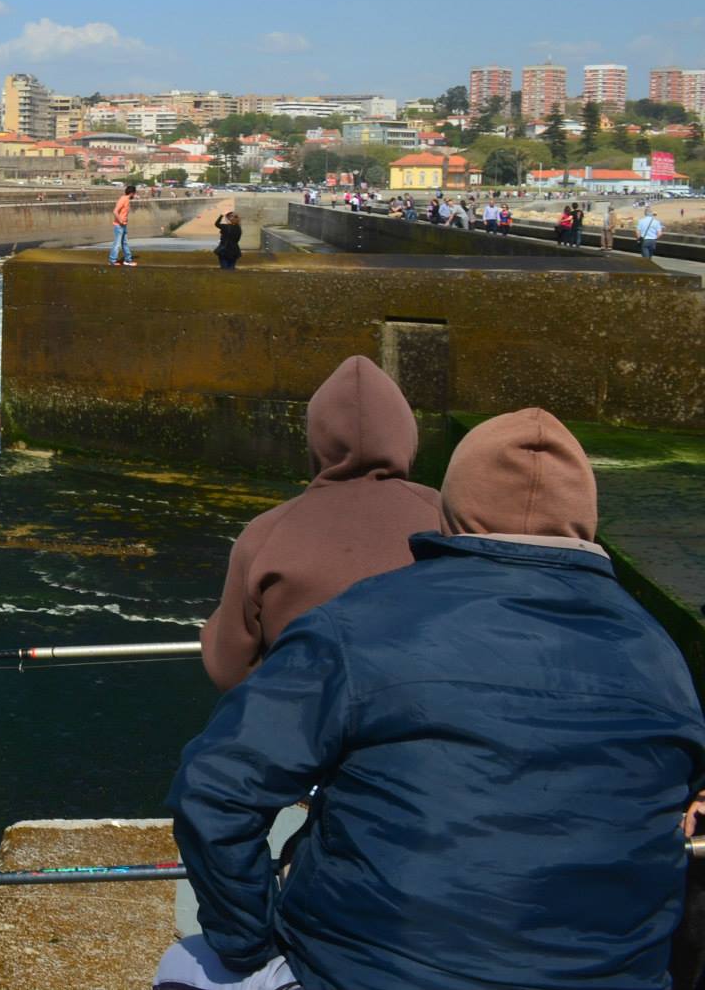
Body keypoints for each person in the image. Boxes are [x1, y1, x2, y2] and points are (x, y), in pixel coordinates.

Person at [160, 409, 705, 990]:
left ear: (452, 508)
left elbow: (217, 790)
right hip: (617, 977)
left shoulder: (358, 622)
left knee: (184, 965)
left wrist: (250, 941)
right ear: (587, 518)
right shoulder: (659, 653)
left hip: (365, 971)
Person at [198, 356, 440, 691]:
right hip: (427, 709)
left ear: (316, 439)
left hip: (307, 715)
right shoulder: (446, 515)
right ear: (406, 435)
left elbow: (230, 668)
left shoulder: (266, 531)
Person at [111, 183, 137, 267]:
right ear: (132, 193)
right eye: (134, 194)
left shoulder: (127, 199)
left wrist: (123, 222)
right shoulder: (123, 199)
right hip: (119, 225)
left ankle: (127, 260)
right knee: (117, 244)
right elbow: (115, 211)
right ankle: (112, 260)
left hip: (123, 225)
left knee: (124, 243)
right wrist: (121, 221)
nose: (135, 195)